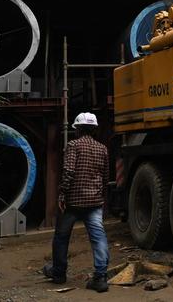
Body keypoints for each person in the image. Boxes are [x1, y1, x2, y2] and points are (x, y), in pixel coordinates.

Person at [43, 112, 110, 292]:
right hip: (94, 201)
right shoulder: (102, 148)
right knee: (98, 238)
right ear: (94, 129)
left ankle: (59, 274)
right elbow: (105, 177)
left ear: (78, 129)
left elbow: (69, 171)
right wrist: (102, 198)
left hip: (73, 201)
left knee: (61, 238)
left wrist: (62, 194)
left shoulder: (73, 145)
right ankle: (101, 278)